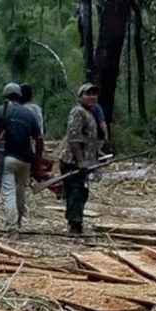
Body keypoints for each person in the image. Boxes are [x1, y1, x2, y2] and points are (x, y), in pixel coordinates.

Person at [0, 82, 45, 230]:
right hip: (26, 159)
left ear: (5, 95)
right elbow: (39, 139)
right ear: (20, 96)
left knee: (7, 192)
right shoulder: (29, 114)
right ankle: (18, 222)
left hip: (8, 157)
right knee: (20, 191)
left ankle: (12, 226)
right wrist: (37, 162)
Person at [63, 83, 103, 234]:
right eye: (88, 94)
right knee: (76, 192)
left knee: (81, 192)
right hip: (73, 162)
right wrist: (80, 160)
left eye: (94, 94)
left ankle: (75, 222)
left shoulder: (90, 113)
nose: (92, 97)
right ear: (80, 97)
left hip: (85, 161)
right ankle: (75, 225)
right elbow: (74, 139)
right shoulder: (78, 112)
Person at [20, 82, 50, 181]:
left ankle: (57, 187)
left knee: (35, 172)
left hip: (28, 146)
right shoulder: (37, 108)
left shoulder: (23, 110)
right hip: (38, 144)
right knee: (37, 170)